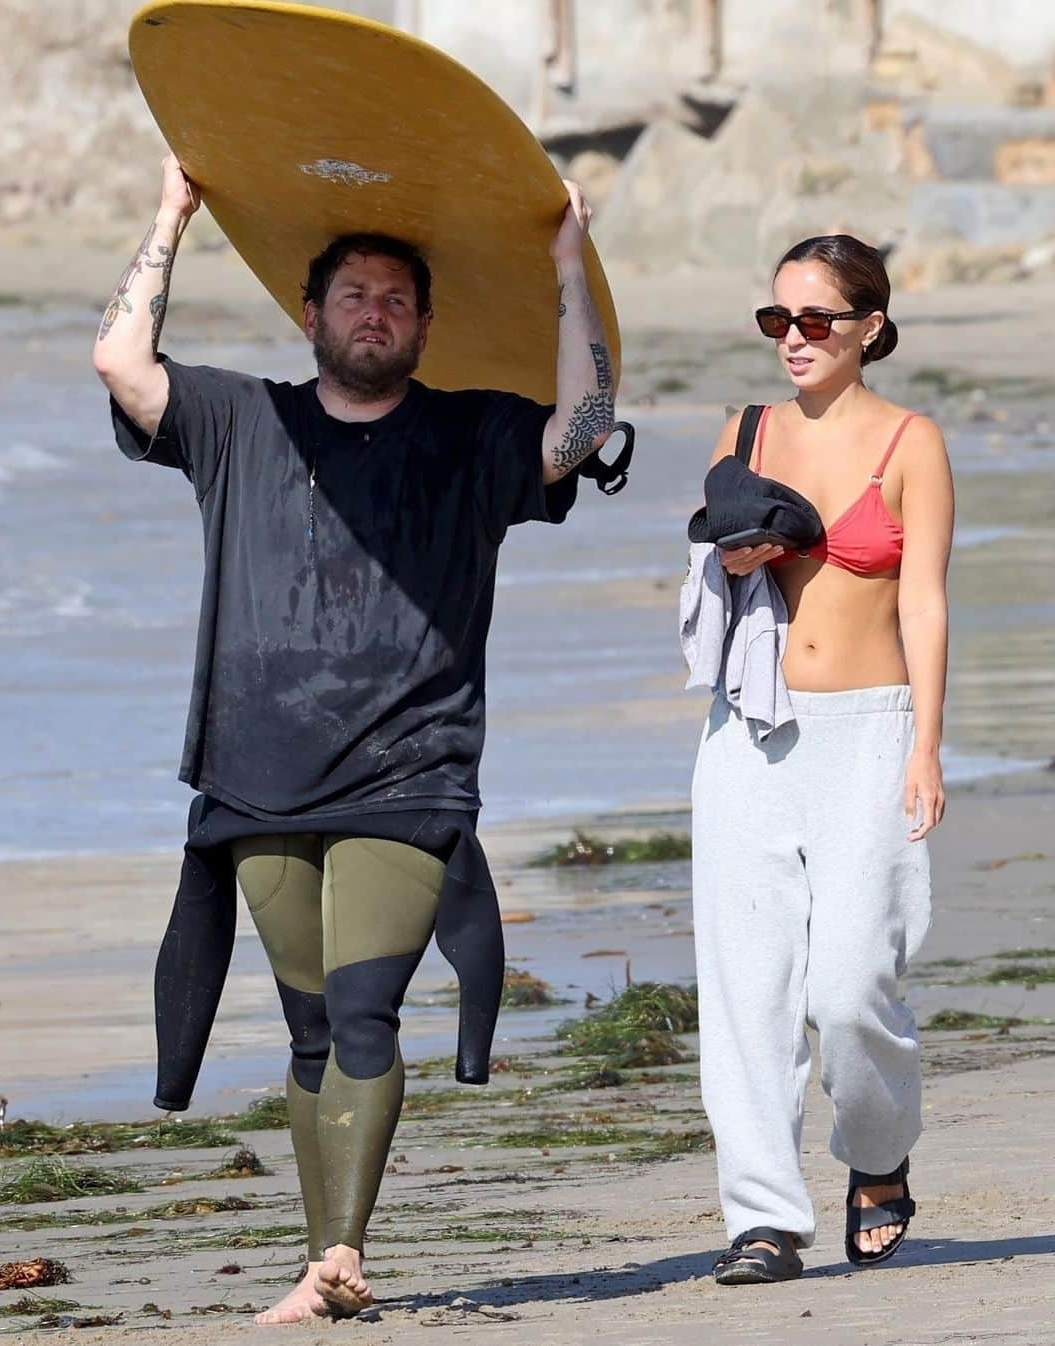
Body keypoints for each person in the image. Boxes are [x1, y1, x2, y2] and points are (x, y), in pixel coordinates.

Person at [92, 154, 619, 1324]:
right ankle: (319, 1255)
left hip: (409, 769)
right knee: (312, 1023)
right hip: (257, 771)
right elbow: (121, 361)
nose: (373, 313)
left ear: (426, 324)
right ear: (312, 312)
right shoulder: (242, 418)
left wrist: (569, 268)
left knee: (367, 1006)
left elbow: (583, 427)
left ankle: (341, 1249)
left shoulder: (471, 435)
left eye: (395, 299)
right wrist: (171, 211)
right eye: (353, 295)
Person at [688, 234, 953, 1284]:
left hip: (871, 731)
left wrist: (926, 744)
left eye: (814, 321)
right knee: (746, 986)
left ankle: (879, 1153)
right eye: (776, 321)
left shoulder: (912, 441)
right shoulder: (746, 430)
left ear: (869, 327)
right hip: (747, 730)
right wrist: (738, 547)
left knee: (851, 987)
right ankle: (762, 1214)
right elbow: (710, 550)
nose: (791, 339)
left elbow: (925, 601)